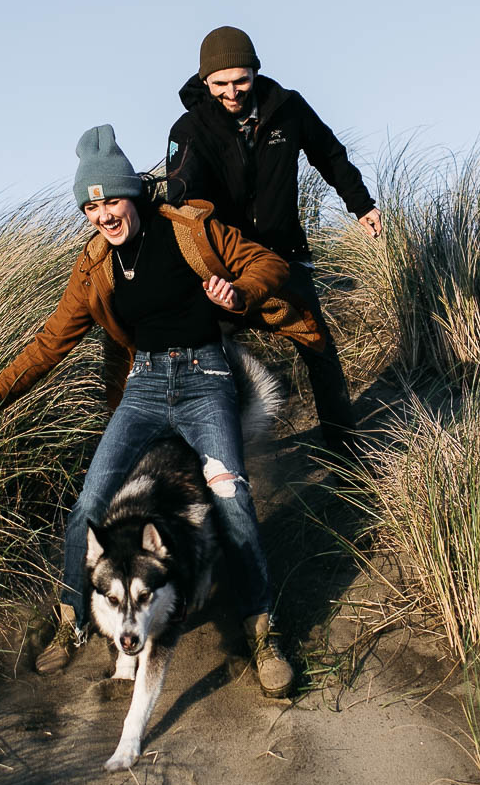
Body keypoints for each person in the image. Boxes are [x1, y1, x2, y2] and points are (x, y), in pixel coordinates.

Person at [0, 124, 323, 695]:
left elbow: (268, 263)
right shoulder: (94, 264)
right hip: (142, 386)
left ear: (132, 195)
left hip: (205, 379)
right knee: (88, 505)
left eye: (111, 201)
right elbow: (51, 340)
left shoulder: (190, 229)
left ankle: (262, 633)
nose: (104, 216)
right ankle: (72, 620)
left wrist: (238, 292)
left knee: (232, 499)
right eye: (91, 207)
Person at [163, 26, 380, 462]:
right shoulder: (189, 128)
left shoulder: (288, 108)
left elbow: (330, 155)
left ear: (255, 72)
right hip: (225, 265)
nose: (231, 92)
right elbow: (182, 198)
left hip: (286, 257)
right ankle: (211, 460)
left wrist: (361, 205)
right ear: (205, 80)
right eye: (220, 83)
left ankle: (346, 456)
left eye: (240, 80)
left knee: (320, 350)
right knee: (197, 357)